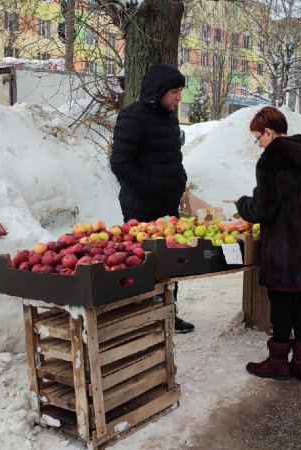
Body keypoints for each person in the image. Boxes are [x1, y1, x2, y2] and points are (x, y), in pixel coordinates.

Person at [237, 106, 301, 382]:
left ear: (268, 131)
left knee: (280, 301)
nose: (259, 144)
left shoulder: (270, 161)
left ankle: (278, 362)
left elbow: (262, 209)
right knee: (298, 301)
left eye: (258, 138)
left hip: (283, 247)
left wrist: (243, 203)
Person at [110, 64, 195, 333]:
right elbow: (121, 165)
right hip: (141, 206)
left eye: (180, 91)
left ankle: (168, 313)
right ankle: (145, 317)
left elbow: (171, 156)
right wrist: (153, 187)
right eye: (174, 91)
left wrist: (179, 179)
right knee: (144, 263)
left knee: (171, 261)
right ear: (158, 91)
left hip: (167, 206)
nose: (178, 97)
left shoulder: (170, 117)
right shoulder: (132, 117)